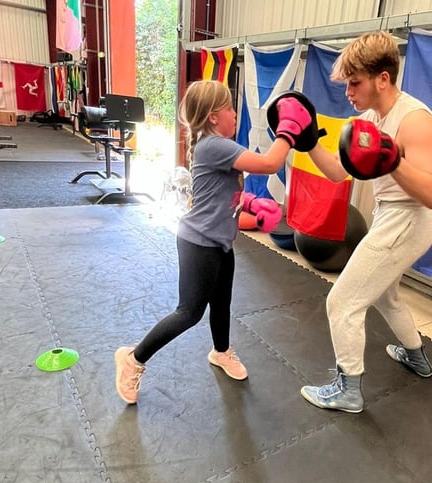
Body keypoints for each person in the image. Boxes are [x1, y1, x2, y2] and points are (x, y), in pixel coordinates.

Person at [114, 80, 313, 404]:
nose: (236, 114)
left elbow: (220, 194)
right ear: (212, 117)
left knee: (221, 304)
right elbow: (269, 164)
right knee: (189, 312)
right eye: (230, 108)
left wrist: (249, 204)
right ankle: (133, 358)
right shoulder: (215, 145)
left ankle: (221, 352)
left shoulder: (217, 147)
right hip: (199, 244)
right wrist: (288, 131)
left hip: (219, 242)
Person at [299, 31, 432, 413]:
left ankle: (348, 389)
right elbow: (337, 172)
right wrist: (309, 140)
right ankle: (416, 356)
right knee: (385, 294)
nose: (348, 91)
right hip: (390, 217)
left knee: (342, 302)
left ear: (383, 78)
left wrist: (393, 160)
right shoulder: (369, 119)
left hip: (409, 220)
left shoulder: (415, 121)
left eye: (355, 82)